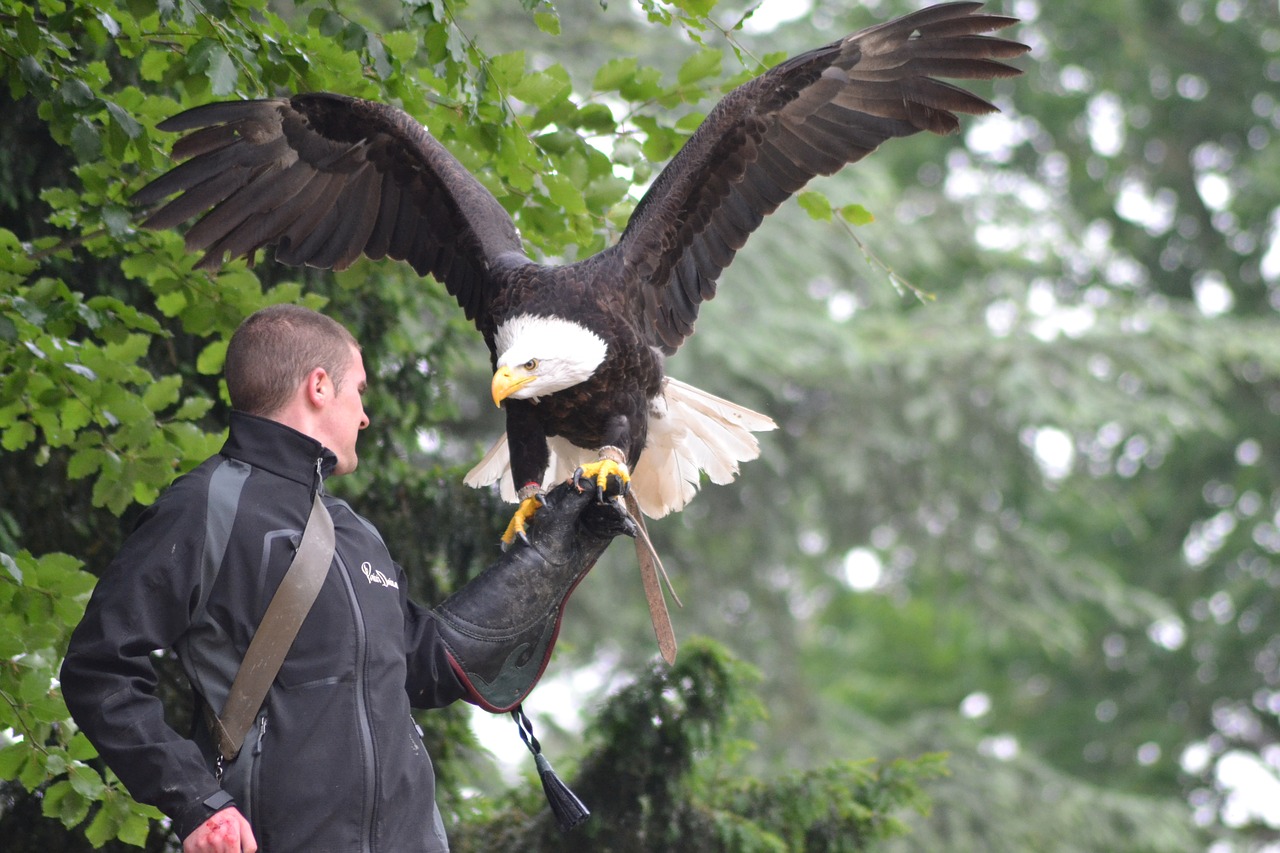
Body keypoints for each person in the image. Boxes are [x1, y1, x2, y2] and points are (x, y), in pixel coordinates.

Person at [60, 304, 630, 853]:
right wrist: (195, 802)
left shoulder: (355, 534)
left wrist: (557, 553)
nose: (364, 414)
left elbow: (430, 666)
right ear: (318, 387)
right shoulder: (205, 507)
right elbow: (98, 668)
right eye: (358, 390)